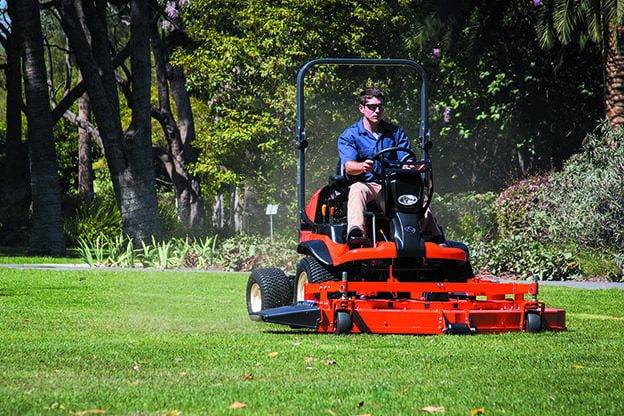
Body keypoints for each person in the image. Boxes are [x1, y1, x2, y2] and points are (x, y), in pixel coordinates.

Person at [337, 87, 446, 248]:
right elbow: (349, 166)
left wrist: (410, 167)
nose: (377, 111)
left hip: (393, 183)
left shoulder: (395, 132)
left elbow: (406, 159)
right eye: (372, 107)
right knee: (357, 189)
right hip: (369, 184)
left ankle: (433, 237)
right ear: (362, 109)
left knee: (417, 194)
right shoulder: (350, 135)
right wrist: (362, 166)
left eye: (380, 107)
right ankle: (356, 234)